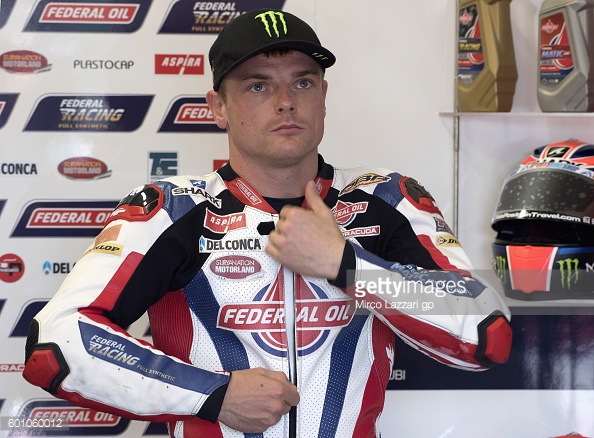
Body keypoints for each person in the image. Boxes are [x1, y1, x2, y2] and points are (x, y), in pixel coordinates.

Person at [23, 8, 512, 437]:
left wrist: (348, 266)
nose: (285, 101)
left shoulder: (383, 201)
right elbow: (56, 342)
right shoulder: (173, 209)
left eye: (303, 81)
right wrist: (211, 395)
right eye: (258, 85)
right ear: (218, 107)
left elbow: (486, 330)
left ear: (324, 96)